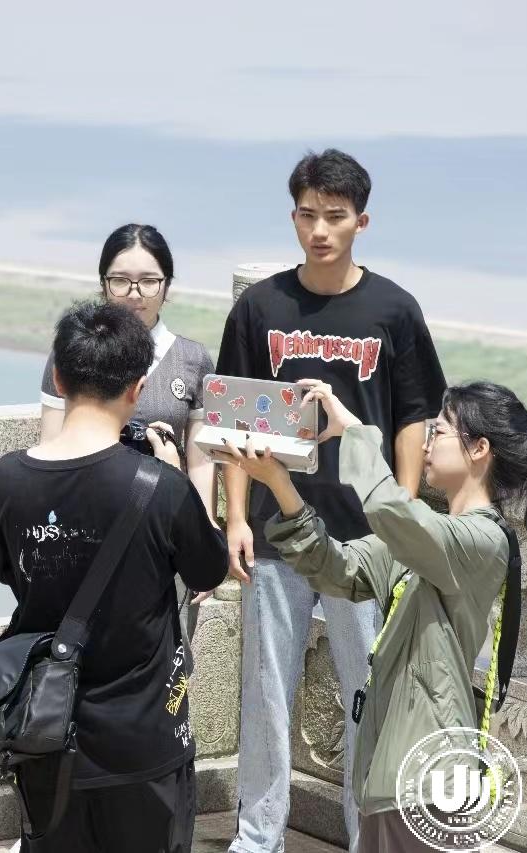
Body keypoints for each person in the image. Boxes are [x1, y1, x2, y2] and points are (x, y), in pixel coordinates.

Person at [216, 149, 448, 853]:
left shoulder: (393, 310)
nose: (320, 230)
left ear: (361, 222)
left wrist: (401, 512)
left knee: (367, 697)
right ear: (293, 217)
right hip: (277, 530)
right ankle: (258, 837)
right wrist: (235, 517)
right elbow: (234, 418)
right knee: (265, 693)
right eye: (308, 214)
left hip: (362, 541)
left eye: (335, 216)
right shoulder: (260, 308)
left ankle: (366, 835)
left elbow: (414, 416)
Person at [220, 378, 527, 853]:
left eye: (438, 432)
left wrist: (355, 432)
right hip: (388, 770)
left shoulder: (483, 542)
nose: (426, 444)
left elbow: (393, 512)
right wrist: (279, 482)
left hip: (429, 777)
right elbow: (333, 567)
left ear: (479, 448)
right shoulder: (428, 538)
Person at [0, 300, 228, 853]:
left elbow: (4, 567)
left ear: (59, 379)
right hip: (145, 740)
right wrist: (175, 474)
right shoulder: (160, 486)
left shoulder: (8, 479)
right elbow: (208, 568)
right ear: (138, 388)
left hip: (44, 734)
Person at [40, 223, 218, 633]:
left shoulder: (191, 359)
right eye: (120, 280)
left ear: (167, 285)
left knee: (169, 647)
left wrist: (204, 532)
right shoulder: (70, 353)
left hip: (166, 529)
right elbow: (51, 443)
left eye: (149, 281)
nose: (135, 294)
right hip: (85, 527)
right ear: (103, 284)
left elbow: (201, 460)